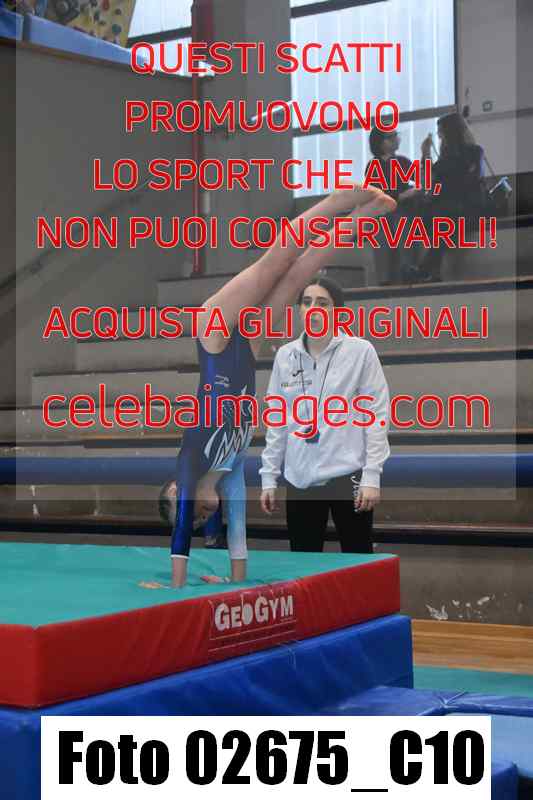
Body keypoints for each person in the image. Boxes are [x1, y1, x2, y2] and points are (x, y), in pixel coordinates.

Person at [145, 186, 396, 589]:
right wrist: (234, 582)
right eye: (200, 519)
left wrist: (175, 587)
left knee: (274, 262)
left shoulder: (190, 463)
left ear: (178, 491)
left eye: (192, 513)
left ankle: (340, 200)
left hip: (213, 334)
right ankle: (363, 217)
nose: (202, 515)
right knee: (297, 277)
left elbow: (180, 541)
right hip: (243, 354)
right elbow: (239, 532)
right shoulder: (228, 470)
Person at [259, 276, 390, 554]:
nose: (313, 309)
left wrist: (371, 476)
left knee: (358, 558)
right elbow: (277, 422)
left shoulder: (360, 351)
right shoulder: (285, 356)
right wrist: (269, 476)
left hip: (348, 474)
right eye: (307, 302)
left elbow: (376, 416)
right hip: (300, 478)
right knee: (304, 562)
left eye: (322, 303)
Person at [417, 112, 486, 282]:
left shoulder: (473, 152)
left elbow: (471, 180)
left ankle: (426, 269)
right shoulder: (447, 158)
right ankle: (431, 271)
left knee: (442, 219)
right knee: (441, 219)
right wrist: (426, 155)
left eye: (441, 132)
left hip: (469, 207)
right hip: (451, 210)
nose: (439, 136)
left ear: (451, 132)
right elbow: (429, 183)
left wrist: (428, 157)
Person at [365, 127, 421, 285]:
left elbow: (421, 178)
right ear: (380, 143)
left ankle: (408, 271)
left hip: (402, 210)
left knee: (402, 226)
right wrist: (402, 195)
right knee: (382, 231)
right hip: (383, 211)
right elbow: (377, 194)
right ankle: (385, 279)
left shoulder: (403, 161)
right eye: (391, 137)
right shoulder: (373, 165)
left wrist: (425, 155)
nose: (396, 139)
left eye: (396, 135)